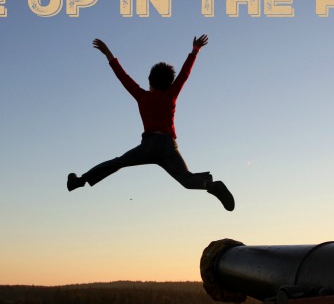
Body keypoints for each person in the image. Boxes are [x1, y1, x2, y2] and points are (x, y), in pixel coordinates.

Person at [67, 35, 235, 211]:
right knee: (186, 179)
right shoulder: (171, 95)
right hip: (169, 147)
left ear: (150, 81)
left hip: (149, 146)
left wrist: (107, 53)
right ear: (169, 83)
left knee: (117, 163)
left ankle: (79, 181)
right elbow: (185, 74)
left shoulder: (142, 96)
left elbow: (122, 76)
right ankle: (210, 185)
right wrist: (195, 50)